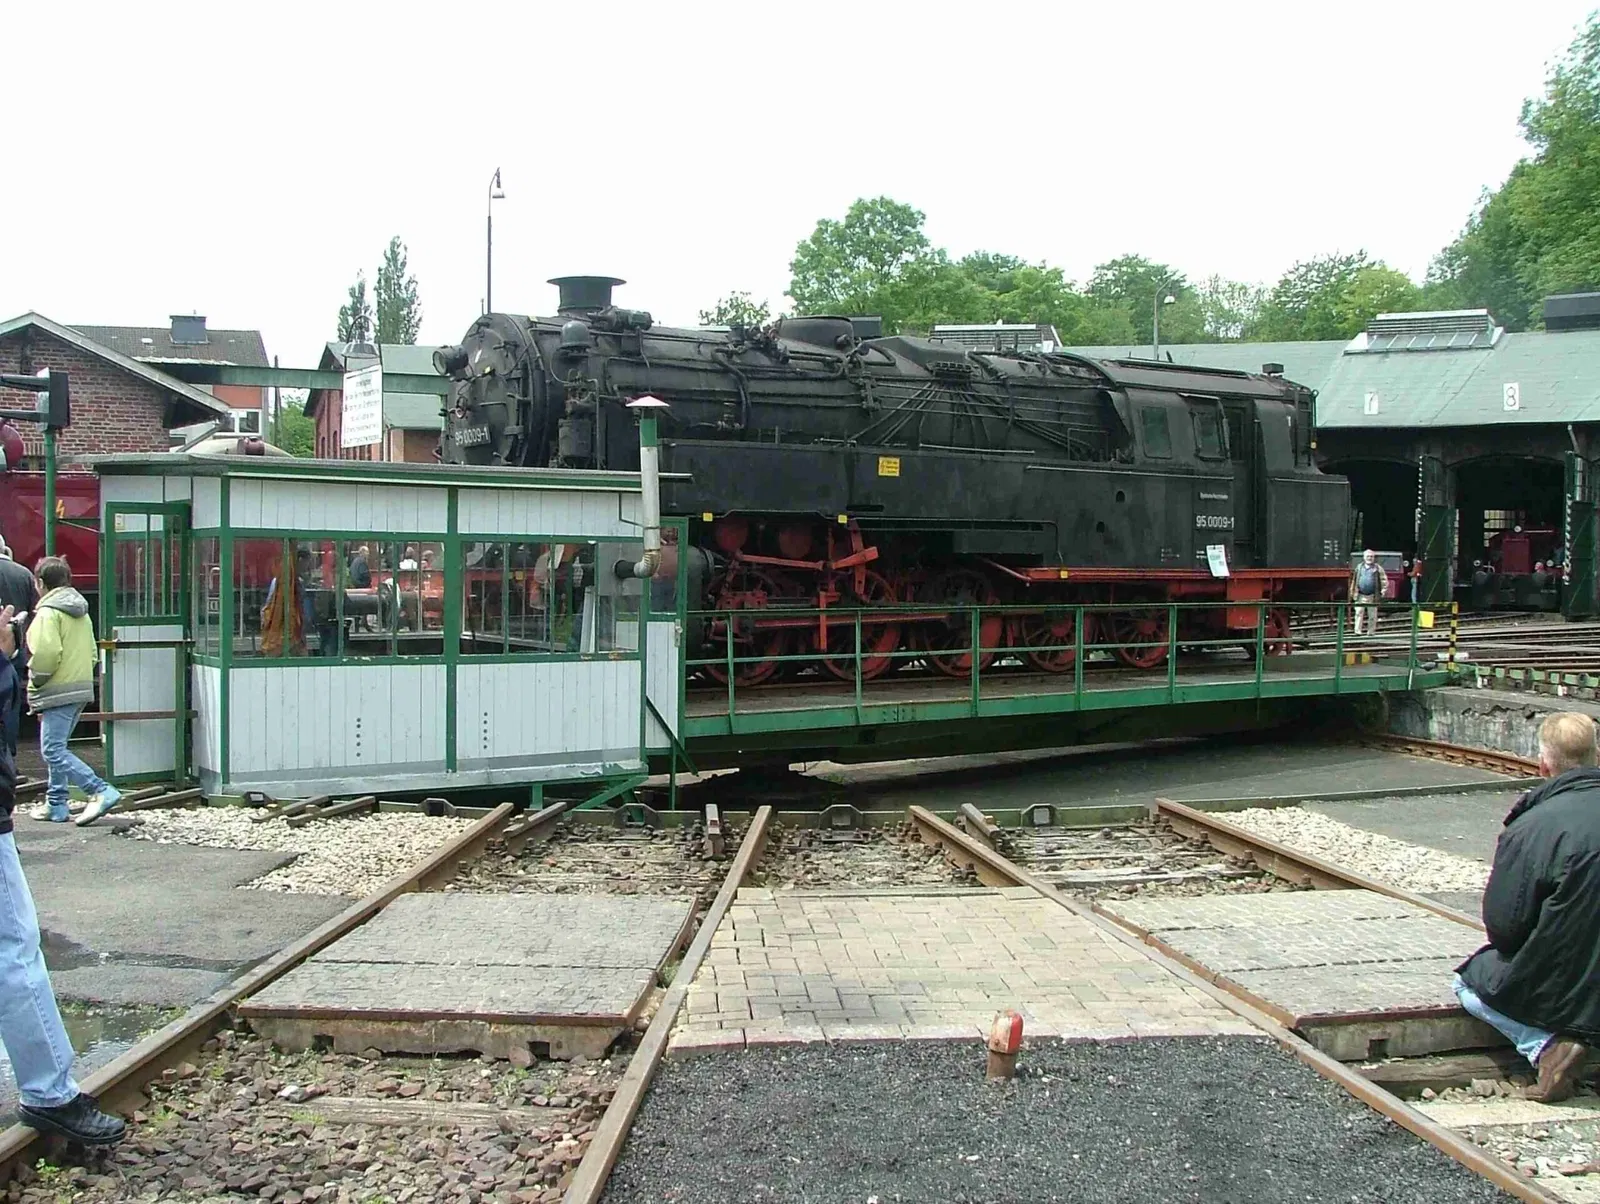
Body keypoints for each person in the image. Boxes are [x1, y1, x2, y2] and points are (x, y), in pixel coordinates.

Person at [0, 604, 127, 1144]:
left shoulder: (51, 613)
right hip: (66, 692)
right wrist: (7, 660)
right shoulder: (64, 615)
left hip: (57, 693)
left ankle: (63, 800)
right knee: (13, 949)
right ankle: (49, 1090)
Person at [1455, 711, 1600, 1103]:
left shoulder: (1531, 828)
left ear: (1543, 766)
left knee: (1469, 980)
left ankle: (1547, 1048)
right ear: (1596, 756)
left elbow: (1504, 930)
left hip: (1572, 985)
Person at [26, 559, 119, 827]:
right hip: (80, 686)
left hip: (57, 688)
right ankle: (56, 804)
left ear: (40, 582)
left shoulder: (48, 613)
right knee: (59, 746)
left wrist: (36, 679)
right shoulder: (80, 611)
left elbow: (47, 653)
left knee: (52, 750)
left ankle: (99, 790)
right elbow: (92, 652)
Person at [1350, 549, 1388, 636]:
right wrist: (1352, 591)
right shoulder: (1359, 567)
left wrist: (1383, 590)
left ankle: (1371, 632)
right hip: (1360, 595)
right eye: (1368, 556)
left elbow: (1384, 580)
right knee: (1358, 613)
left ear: (1374, 558)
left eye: (1371, 556)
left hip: (1373, 595)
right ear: (1364, 557)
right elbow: (1354, 580)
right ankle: (1357, 631)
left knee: (1372, 616)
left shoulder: (1378, 568)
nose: (1369, 558)